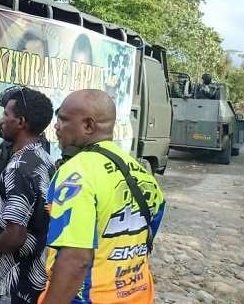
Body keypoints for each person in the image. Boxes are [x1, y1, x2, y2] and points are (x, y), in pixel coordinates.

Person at [39, 89, 166, 304]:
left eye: (63, 119)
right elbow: (148, 233)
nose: (56, 127)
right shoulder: (140, 171)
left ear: (88, 126)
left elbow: (75, 260)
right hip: (138, 295)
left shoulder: (77, 174)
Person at [0, 87, 55, 304]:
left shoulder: (18, 168)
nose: (1, 120)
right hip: (37, 275)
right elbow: (33, 209)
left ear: (21, 122)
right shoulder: (42, 157)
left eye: (6, 115)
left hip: (17, 281)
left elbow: (15, 236)